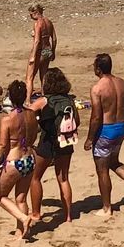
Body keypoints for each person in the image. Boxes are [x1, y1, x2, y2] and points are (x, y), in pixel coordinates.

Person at [87, 52, 124, 215]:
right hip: (119, 127)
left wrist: (90, 138)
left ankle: (106, 208)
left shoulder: (97, 88)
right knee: (113, 161)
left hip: (105, 130)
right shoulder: (122, 83)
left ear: (98, 69)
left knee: (102, 169)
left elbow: (96, 116)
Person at [26, 67, 80, 229]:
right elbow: (77, 121)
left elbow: (28, 114)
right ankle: (69, 215)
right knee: (63, 178)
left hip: (48, 141)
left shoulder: (44, 100)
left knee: (35, 177)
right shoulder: (69, 100)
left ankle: (36, 212)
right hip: (66, 140)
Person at [0, 80, 35, 239]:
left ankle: (24, 218)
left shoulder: (7, 119)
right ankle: (22, 232)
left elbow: (2, 145)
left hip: (14, 162)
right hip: (29, 159)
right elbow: (34, 135)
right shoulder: (31, 114)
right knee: (20, 198)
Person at [28, 4, 56, 91]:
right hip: (48, 50)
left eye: (31, 14)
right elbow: (54, 39)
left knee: (30, 77)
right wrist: (53, 51)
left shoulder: (38, 23)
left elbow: (37, 41)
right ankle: (44, 95)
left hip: (40, 51)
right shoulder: (49, 22)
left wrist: (33, 56)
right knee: (43, 75)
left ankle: (28, 100)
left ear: (36, 13)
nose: (30, 17)